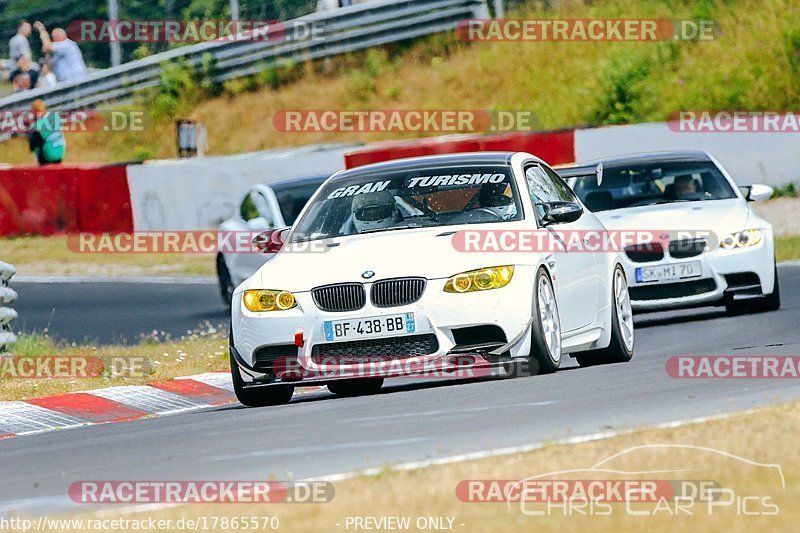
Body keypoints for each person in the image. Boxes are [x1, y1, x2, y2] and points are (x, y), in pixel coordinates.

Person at [25, 99, 65, 165]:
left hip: (46, 158)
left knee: (36, 139)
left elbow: (32, 146)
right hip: (60, 154)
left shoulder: (37, 126)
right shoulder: (55, 117)